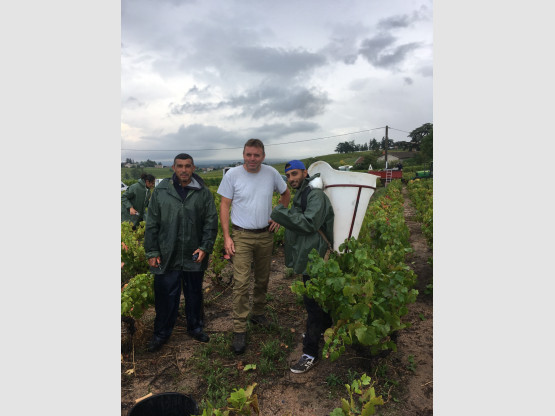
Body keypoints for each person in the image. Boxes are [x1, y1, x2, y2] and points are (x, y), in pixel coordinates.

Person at [217, 138, 291, 354]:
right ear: (243, 155)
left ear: (263, 156)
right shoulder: (232, 175)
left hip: (266, 235)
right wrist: (227, 237)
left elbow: (285, 194)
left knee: (262, 278)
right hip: (241, 236)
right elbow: (224, 205)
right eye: (248, 154)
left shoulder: (271, 174)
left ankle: (258, 313)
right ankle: (239, 328)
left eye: (256, 155)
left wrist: (279, 216)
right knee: (241, 282)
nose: (252, 159)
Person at [143, 153, 218, 352]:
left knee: (194, 293)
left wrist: (205, 247)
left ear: (193, 168)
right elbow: (152, 224)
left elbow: (211, 222)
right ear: (173, 168)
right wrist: (152, 251)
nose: (184, 170)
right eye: (179, 166)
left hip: (194, 253)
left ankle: (195, 327)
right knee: (165, 295)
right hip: (167, 253)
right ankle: (161, 333)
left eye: (187, 166)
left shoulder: (203, 192)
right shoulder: (161, 191)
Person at [270, 160, 334, 374]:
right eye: (288, 176)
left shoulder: (315, 195)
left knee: (313, 305)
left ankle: (310, 353)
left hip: (316, 258)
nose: (291, 179)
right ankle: (324, 334)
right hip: (310, 256)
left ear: (305, 173)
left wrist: (280, 212)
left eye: (295, 174)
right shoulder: (304, 193)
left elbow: (309, 224)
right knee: (316, 302)